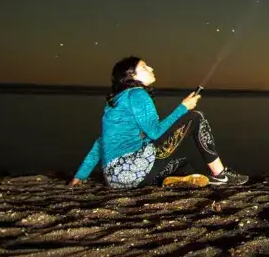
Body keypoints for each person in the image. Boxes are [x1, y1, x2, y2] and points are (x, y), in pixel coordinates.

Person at [70, 56, 248, 188]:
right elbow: (156, 133)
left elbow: (100, 142)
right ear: (131, 75)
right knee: (196, 117)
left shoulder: (115, 101)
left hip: (115, 179)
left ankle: (168, 182)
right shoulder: (137, 94)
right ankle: (221, 175)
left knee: (184, 163)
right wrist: (183, 108)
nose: (151, 67)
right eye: (144, 66)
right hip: (132, 170)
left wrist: (80, 176)